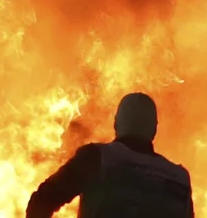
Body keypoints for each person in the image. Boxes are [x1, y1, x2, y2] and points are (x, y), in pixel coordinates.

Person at [27, 93, 194, 218]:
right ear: (154, 129)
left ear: (116, 123)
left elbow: (42, 201)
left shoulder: (98, 158)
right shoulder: (180, 179)